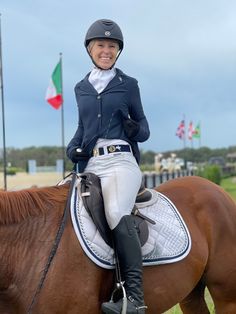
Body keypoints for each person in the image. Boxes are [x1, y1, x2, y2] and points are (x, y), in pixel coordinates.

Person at [66, 18, 150, 314]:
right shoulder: (81, 88)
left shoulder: (129, 85)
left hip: (121, 161)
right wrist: (72, 147)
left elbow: (144, 130)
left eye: (111, 46)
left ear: (118, 51)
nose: (106, 50)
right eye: (100, 45)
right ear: (90, 49)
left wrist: (132, 128)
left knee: (116, 212)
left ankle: (134, 299)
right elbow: (82, 128)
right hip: (92, 163)